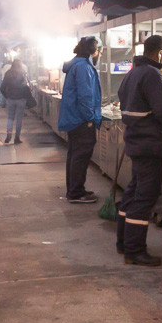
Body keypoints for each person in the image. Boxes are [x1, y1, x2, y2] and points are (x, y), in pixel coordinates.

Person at [116, 35, 162, 267]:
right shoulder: (153, 74)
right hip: (149, 145)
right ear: (159, 53)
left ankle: (123, 242)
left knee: (133, 192)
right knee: (145, 197)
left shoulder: (133, 72)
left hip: (136, 142)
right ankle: (135, 251)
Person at [58, 37, 102, 203]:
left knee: (74, 155)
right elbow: (85, 96)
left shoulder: (76, 65)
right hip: (81, 120)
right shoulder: (84, 67)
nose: (98, 54)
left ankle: (74, 190)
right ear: (92, 51)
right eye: (98, 51)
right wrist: (90, 118)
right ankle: (76, 193)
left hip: (74, 118)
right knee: (80, 156)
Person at [0, 59, 30, 144]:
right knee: (19, 119)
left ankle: (9, 134)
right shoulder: (23, 73)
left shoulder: (8, 74)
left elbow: (2, 88)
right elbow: (26, 86)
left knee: (10, 118)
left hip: (10, 99)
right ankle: (17, 138)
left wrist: (7, 96)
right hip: (21, 99)